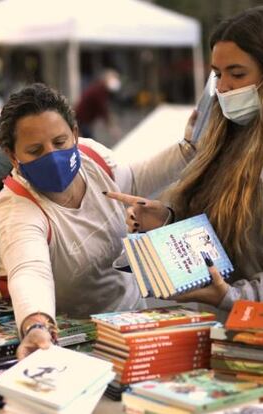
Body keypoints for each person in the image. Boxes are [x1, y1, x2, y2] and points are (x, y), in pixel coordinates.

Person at [0, 83, 197, 359]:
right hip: (81, 347)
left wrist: (188, 148)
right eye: (36, 150)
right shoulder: (16, 210)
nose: (52, 156)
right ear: (12, 156)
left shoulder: (91, 157)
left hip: (137, 325)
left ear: (75, 134)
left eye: (60, 142)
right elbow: (29, 270)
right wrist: (36, 326)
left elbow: (132, 180)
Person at [107, 6, 263, 313]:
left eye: (237, 73)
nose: (222, 88)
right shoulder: (221, 137)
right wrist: (165, 220)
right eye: (218, 74)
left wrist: (231, 297)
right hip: (218, 334)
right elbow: (217, 240)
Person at [75, 68, 123, 140]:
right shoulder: (99, 90)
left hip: (84, 120)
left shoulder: (101, 89)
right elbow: (103, 110)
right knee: (90, 142)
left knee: (88, 141)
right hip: (82, 120)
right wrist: (112, 127)